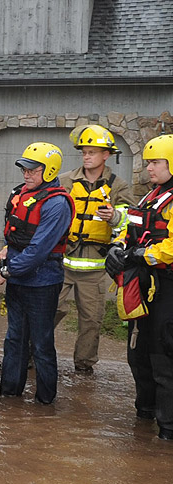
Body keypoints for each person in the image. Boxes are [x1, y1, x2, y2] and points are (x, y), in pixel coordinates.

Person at [0, 142, 74, 405]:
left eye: (32, 170)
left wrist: (5, 273)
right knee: (14, 339)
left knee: (41, 344)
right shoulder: (22, 194)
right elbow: (18, 234)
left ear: (48, 172)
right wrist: (7, 251)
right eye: (24, 169)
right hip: (18, 279)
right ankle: (9, 395)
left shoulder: (57, 204)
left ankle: (45, 401)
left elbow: (38, 250)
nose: (26, 174)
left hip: (42, 282)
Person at [105, 134, 173, 439]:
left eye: (156, 162)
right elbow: (130, 227)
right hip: (143, 286)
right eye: (148, 162)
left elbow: (169, 247)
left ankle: (168, 429)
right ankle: (143, 418)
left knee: (163, 357)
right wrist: (118, 247)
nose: (149, 168)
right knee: (138, 354)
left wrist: (141, 254)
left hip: (167, 288)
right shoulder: (150, 196)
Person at [54, 125, 134, 374]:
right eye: (84, 152)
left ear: (106, 155)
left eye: (92, 152)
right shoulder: (65, 180)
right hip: (62, 263)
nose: (86, 156)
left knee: (91, 321)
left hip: (95, 268)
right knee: (49, 311)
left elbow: (132, 223)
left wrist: (114, 218)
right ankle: (32, 357)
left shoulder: (118, 186)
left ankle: (84, 368)